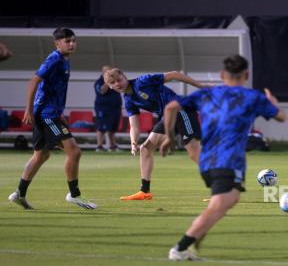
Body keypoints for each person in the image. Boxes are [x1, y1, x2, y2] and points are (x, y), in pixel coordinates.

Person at [160, 54, 286, 261]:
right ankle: (180, 248)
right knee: (222, 204)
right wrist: (273, 102)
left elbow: (171, 107)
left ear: (221, 75)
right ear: (247, 74)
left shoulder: (208, 93)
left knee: (225, 201)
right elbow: (281, 117)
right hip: (227, 161)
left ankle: (192, 245)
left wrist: (168, 137)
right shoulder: (253, 97)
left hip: (206, 160)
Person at [8, 27, 97, 210]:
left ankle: (19, 194)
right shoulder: (55, 59)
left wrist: (58, 113)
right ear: (57, 44)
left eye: (73, 40)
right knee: (74, 151)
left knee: (41, 155)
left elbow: (51, 90)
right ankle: (74, 195)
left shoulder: (64, 60)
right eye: (67, 41)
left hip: (50, 114)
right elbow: (34, 81)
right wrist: (28, 110)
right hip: (46, 115)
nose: (71, 44)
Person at [103, 68, 203, 201]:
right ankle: (144, 192)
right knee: (145, 148)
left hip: (181, 109)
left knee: (194, 152)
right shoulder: (128, 100)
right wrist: (133, 142)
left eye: (119, 79)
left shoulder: (143, 82)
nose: (117, 84)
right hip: (167, 117)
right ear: (110, 87)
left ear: (124, 77)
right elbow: (134, 125)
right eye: (113, 82)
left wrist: (201, 86)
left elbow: (174, 74)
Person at [94, 65, 122, 152]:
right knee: (101, 127)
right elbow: (102, 91)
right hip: (102, 109)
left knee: (112, 128)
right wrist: (107, 82)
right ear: (103, 73)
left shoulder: (115, 82)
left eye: (109, 72)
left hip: (115, 109)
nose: (108, 73)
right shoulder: (98, 82)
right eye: (106, 72)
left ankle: (112, 146)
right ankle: (99, 146)